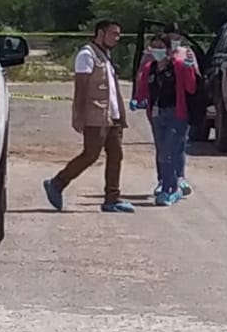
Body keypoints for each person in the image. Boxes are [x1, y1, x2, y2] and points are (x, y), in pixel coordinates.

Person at [43, 19, 135, 213]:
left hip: (113, 116)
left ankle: (112, 198)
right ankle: (57, 183)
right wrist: (78, 115)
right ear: (100, 33)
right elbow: (81, 88)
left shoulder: (106, 56)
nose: (117, 38)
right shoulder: (87, 55)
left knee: (116, 155)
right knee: (91, 155)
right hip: (96, 116)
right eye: (113, 33)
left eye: (118, 34)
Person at [130, 35, 198, 205]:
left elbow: (191, 87)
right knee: (162, 152)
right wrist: (137, 100)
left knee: (169, 151)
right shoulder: (149, 68)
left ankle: (171, 188)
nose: (157, 50)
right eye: (154, 47)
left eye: (160, 47)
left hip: (176, 114)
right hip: (156, 115)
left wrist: (190, 69)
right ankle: (168, 184)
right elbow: (143, 88)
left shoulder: (179, 66)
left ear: (168, 50)